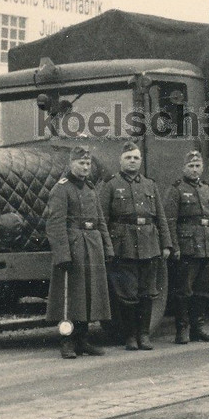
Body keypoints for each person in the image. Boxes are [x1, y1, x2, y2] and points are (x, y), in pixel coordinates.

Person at [98, 141, 173, 350]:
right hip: (124, 245)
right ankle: (130, 336)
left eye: (136, 158)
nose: (132, 161)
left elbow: (161, 217)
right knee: (127, 293)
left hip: (149, 244)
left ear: (140, 161)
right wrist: (107, 247)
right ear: (120, 161)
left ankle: (144, 335)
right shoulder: (111, 185)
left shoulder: (150, 185)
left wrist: (166, 244)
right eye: (128, 158)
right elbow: (102, 219)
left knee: (147, 292)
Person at [46, 146, 114, 359]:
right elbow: (55, 224)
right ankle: (67, 341)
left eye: (87, 164)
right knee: (70, 296)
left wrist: (107, 247)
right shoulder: (61, 189)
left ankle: (83, 340)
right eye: (80, 163)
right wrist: (63, 255)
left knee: (88, 294)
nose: (85, 167)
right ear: (71, 164)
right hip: (73, 247)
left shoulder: (91, 188)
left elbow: (100, 220)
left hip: (92, 246)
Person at [164, 150, 209, 344]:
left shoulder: (207, 189)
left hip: (206, 244)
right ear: (184, 168)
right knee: (184, 291)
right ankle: (182, 330)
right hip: (187, 246)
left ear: (202, 167)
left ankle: (197, 329)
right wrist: (174, 246)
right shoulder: (176, 190)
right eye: (190, 166)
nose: (194, 169)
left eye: (197, 166)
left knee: (204, 290)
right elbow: (170, 221)